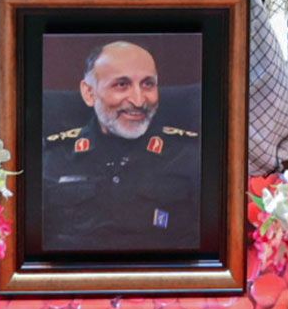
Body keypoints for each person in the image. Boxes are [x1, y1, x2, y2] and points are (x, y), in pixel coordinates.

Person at [40, 39, 203, 250]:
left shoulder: (191, 156)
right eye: (121, 85)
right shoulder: (52, 157)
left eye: (148, 84)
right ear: (89, 93)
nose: (138, 100)